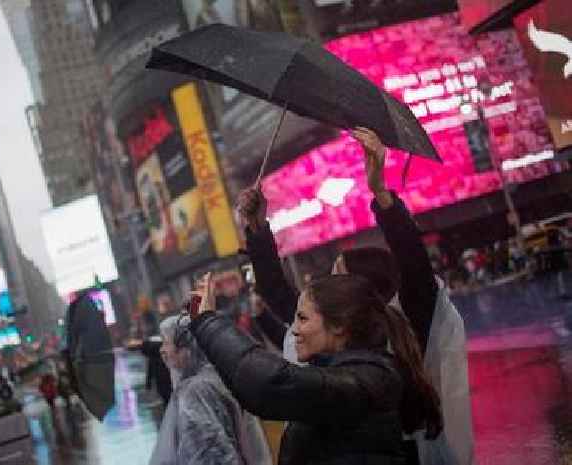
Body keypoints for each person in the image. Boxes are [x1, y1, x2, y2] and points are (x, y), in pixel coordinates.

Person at [237, 127, 474, 465]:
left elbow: (413, 262)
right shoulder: (328, 327)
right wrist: (257, 227)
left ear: (364, 290)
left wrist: (380, 192)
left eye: (338, 274)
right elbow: (276, 291)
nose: (326, 287)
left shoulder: (405, 329)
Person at [189, 272, 442, 465]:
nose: (294, 330)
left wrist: (208, 323)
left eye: (303, 318)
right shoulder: (352, 372)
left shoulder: (368, 380)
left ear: (340, 326)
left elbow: (268, 386)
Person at [149, 314, 272, 465]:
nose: (162, 350)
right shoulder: (218, 376)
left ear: (186, 348)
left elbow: (210, 452)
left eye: (166, 343)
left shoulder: (196, 391)